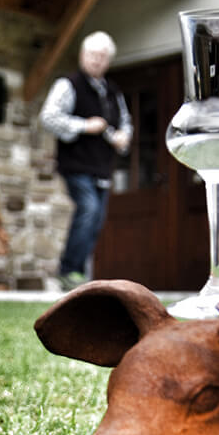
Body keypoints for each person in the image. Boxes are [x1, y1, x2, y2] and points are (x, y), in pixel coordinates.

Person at [40, 31, 132, 291]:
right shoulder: (68, 85)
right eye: (93, 55)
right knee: (88, 209)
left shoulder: (113, 92)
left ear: (108, 61)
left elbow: (124, 123)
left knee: (97, 218)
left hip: (102, 166)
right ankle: (69, 270)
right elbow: (49, 117)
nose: (97, 60)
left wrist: (122, 137)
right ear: (83, 55)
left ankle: (77, 274)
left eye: (103, 57)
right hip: (76, 165)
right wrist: (83, 126)